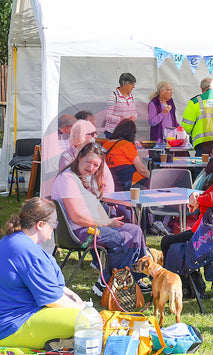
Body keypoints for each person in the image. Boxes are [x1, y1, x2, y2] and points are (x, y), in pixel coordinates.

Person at [51, 143, 148, 296]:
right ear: (79, 158)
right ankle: (106, 282)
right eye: (88, 162)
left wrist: (106, 222)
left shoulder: (78, 178)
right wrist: (107, 223)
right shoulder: (67, 179)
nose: (91, 167)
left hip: (89, 227)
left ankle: (134, 279)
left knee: (135, 231)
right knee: (121, 237)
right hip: (78, 232)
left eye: (96, 165)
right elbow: (76, 216)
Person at [0, 198, 84, 349]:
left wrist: (68, 293)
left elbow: (35, 280)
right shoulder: (26, 250)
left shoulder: (13, 240)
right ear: (40, 225)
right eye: (54, 225)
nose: (55, 228)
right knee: (87, 321)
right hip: (12, 326)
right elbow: (53, 300)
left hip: (11, 319)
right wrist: (85, 310)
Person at [59, 119, 114, 193]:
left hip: (99, 197)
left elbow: (106, 179)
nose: (95, 136)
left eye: (95, 133)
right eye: (91, 134)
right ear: (80, 136)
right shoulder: (67, 156)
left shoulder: (96, 153)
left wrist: (109, 200)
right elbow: (68, 182)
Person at [103, 119, 150, 191]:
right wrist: (151, 178)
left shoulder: (105, 145)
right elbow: (141, 169)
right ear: (131, 133)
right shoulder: (126, 144)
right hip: (132, 183)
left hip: (114, 184)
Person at [103, 72, 137, 138]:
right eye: (131, 84)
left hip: (127, 133)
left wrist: (134, 117)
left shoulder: (132, 97)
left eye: (134, 84)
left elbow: (134, 112)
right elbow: (107, 116)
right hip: (113, 132)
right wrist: (121, 120)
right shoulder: (113, 97)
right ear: (124, 84)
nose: (133, 86)